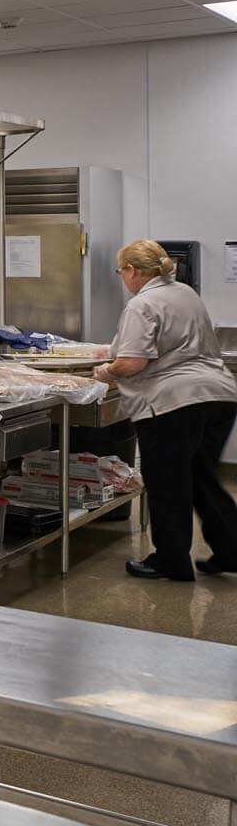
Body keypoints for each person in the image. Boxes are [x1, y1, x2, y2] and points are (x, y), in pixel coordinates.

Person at [93, 240, 237, 580]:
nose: (122, 277)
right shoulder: (186, 293)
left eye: (121, 271)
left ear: (132, 271)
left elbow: (131, 362)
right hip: (219, 395)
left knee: (167, 482)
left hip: (173, 404)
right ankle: (231, 549)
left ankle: (171, 560)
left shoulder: (141, 304)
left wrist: (106, 371)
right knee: (201, 477)